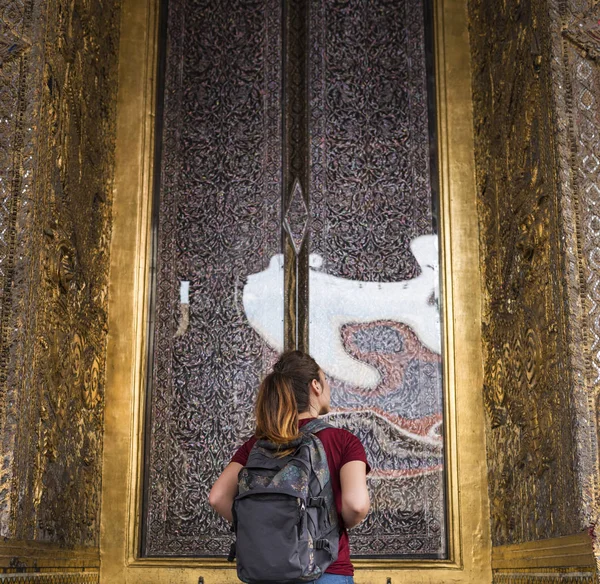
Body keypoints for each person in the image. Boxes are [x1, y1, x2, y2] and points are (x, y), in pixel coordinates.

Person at [209, 350, 371, 584]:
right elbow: (356, 505)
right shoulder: (343, 441)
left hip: (267, 574)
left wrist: (265, 526)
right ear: (315, 385)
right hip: (326, 571)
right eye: (325, 381)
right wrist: (328, 523)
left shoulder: (257, 444)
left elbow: (217, 497)